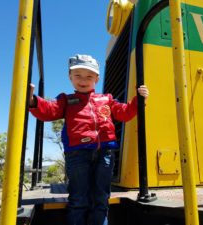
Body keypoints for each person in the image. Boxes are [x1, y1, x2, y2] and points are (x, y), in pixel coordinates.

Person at [29, 54, 149, 225]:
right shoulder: (67, 100)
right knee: (79, 198)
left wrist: (139, 100)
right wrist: (33, 101)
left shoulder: (106, 99)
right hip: (77, 155)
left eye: (89, 76)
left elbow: (124, 113)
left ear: (96, 79)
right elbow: (49, 110)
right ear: (70, 77)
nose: (83, 80)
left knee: (101, 197)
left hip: (105, 154)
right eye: (78, 75)